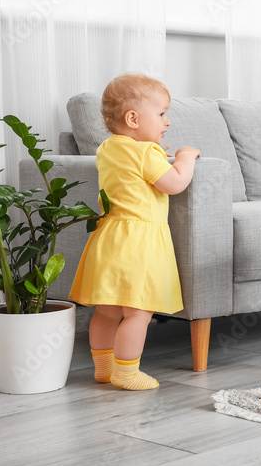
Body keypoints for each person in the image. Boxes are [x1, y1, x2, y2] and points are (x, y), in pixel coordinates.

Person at [69, 72, 200, 390]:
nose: (166, 122)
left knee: (107, 311)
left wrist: (154, 152)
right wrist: (185, 157)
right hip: (139, 244)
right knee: (138, 313)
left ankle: (103, 368)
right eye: (161, 114)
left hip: (108, 238)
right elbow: (175, 183)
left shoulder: (107, 150)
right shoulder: (146, 154)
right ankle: (126, 372)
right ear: (133, 118)